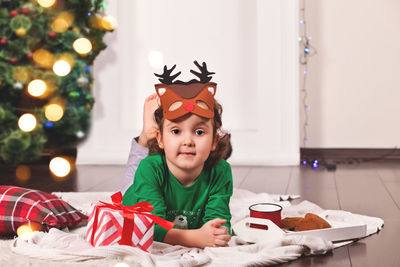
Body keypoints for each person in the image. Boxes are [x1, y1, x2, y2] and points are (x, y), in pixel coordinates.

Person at [122, 62, 233, 248]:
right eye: (176, 131)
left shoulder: (221, 171)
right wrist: (194, 238)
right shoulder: (149, 168)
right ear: (161, 139)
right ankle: (147, 134)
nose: (188, 141)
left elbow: (219, 222)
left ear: (214, 140)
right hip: (134, 197)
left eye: (199, 132)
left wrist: (216, 234)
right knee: (128, 185)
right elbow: (149, 227)